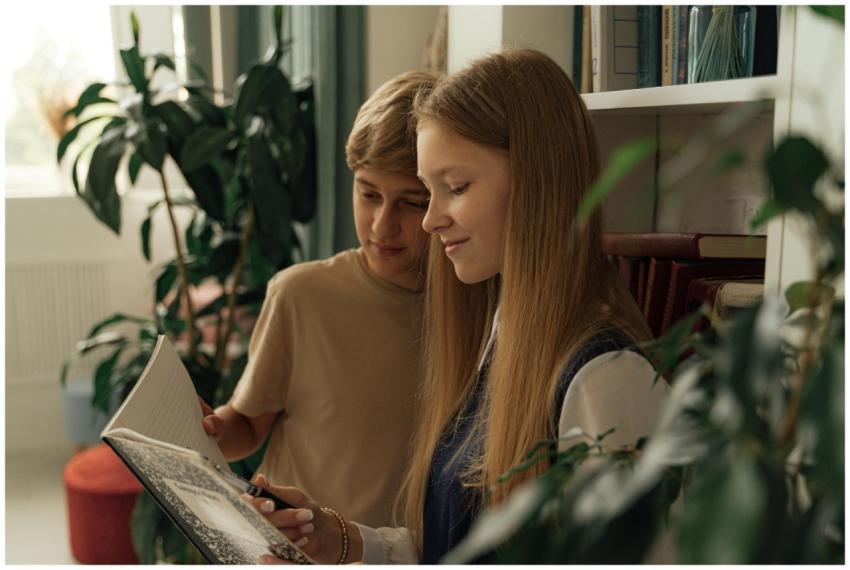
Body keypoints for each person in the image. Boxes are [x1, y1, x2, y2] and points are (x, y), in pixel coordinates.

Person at [253, 48, 669, 564]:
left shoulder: (606, 376)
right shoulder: (501, 330)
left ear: (537, 182)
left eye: (455, 187)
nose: (429, 221)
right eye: (429, 193)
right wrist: (340, 541)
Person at [198, 69, 440, 531]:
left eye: (411, 202)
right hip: (295, 549)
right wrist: (210, 430)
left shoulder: (474, 307)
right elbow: (248, 426)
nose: (380, 225)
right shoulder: (300, 295)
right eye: (368, 194)